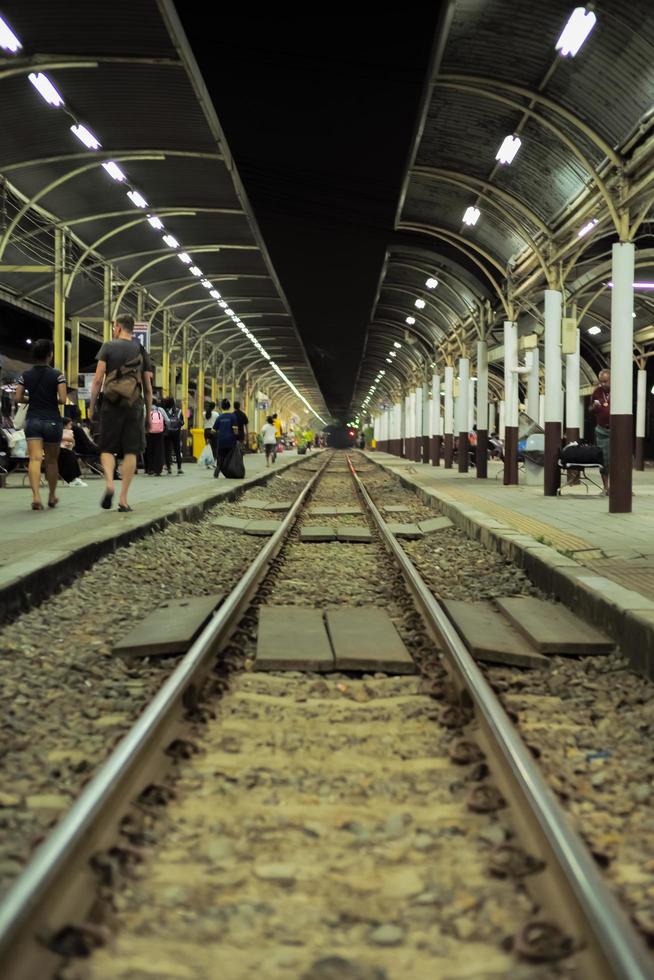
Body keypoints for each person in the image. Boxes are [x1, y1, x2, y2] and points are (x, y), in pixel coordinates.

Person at [89, 313, 153, 512]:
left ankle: (109, 483)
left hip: (110, 403)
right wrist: (149, 413)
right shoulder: (141, 350)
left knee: (107, 448)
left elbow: (98, 380)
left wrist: (92, 406)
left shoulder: (108, 346)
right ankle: (123, 499)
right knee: (131, 451)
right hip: (134, 404)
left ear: (117, 327)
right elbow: (148, 386)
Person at [13, 339, 66, 510]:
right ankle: (51, 496)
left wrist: (31, 398)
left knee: (34, 459)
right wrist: (50, 398)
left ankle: (36, 497)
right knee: (51, 461)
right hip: (52, 421)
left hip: (33, 420)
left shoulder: (25, 375)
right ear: (50, 355)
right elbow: (63, 399)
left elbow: (18, 398)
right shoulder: (58, 375)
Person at [590, 368, 610, 494]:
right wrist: (593, 408)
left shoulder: (620, 389)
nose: (603, 384)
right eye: (601, 382)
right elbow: (590, 410)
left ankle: (624, 487)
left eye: (606, 381)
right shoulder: (597, 392)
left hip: (618, 431)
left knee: (622, 458)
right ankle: (606, 488)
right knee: (604, 459)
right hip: (602, 430)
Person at [212, 398, 238, 477]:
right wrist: (236, 438)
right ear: (229, 407)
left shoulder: (219, 417)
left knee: (220, 456)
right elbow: (235, 430)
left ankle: (218, 469)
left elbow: (213, 431)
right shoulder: (233, 416)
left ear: (222, 407)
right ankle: (230, 471)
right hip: (230, 441)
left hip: (221, 441)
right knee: (231, 457)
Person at [58, 417, 87, 486]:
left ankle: (75, 478)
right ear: (65, 425)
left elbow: (72, 443)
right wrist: (70, 440)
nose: (71, 426)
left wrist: (71, 442)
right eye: (70, 425)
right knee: (69, 455)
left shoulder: (70, 432)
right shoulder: (60, 431)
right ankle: (72, 479)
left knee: (71, 455)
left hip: (66, 449)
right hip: (58, 449)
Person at [145, 398, 168, 476]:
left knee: (150, 451)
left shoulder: (146, 409)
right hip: (159, 433)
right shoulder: (161, 410)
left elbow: (143, 420)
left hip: (149, 433)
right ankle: (158, 470)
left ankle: (150, 469)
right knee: (159, 451)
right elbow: (167, 420)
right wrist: (165, 427)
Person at [163, 396, 184, 474]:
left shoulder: (164, 411)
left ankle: (169, 468)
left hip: (167, 433)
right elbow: (182, 422)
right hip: (176, 433)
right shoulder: (179, 411)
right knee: (177, 450)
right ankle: (179, 468)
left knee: (167, 451)